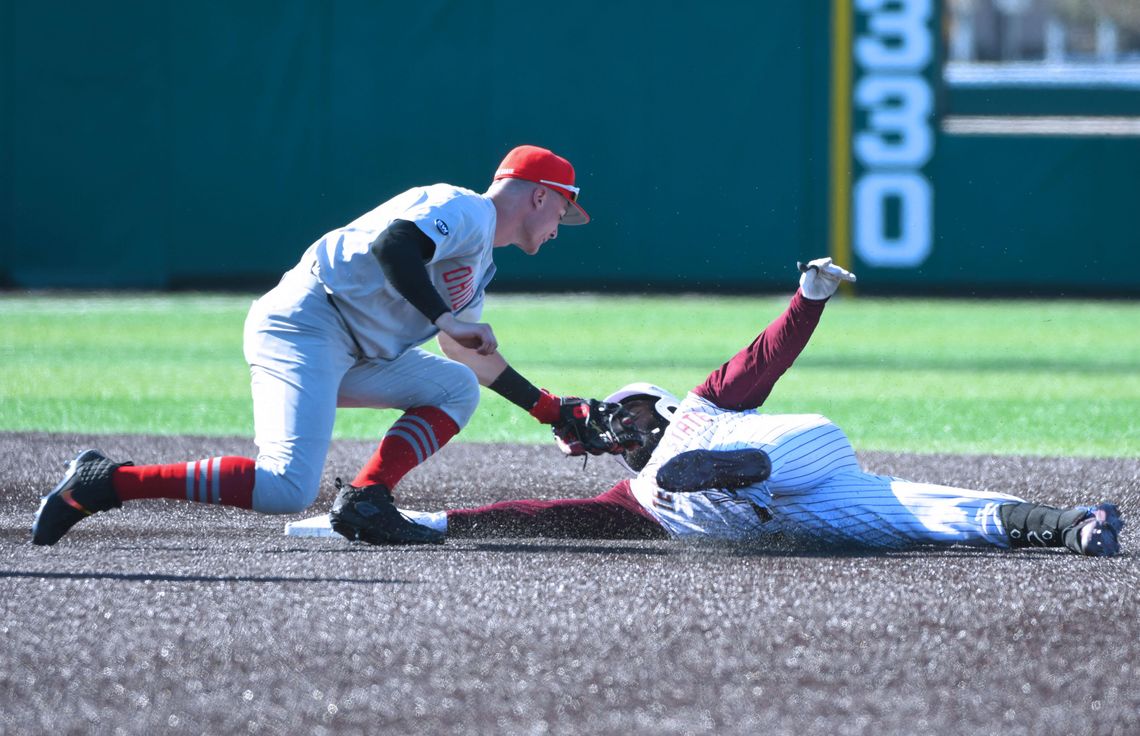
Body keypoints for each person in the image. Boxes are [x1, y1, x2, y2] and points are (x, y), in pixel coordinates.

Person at [33, 144, 616, 547]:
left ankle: (366, 501)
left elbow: (466, 352)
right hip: (305, 325)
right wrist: (443, 316)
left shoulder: (479, 261)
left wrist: (552, 410)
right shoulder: (463, 208)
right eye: (563, 212)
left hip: (357, 350)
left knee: (455, 385)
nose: (559, 226)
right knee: (285, 488)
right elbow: (395, 247)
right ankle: (106, 482)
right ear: (540, 196)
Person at [353, 258, 1125, 556]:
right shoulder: (635, 499)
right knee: (934, 514)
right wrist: (437, 524)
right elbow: (539, 513)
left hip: (796, 453)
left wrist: (809, 296)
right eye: (615, 429)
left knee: (753, 458)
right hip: (813, 515)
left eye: (628, 415)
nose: (621, 430)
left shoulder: (700, 402)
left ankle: (737, 467)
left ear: (654, 405)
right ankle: (1073, 526)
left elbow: (768, 354)